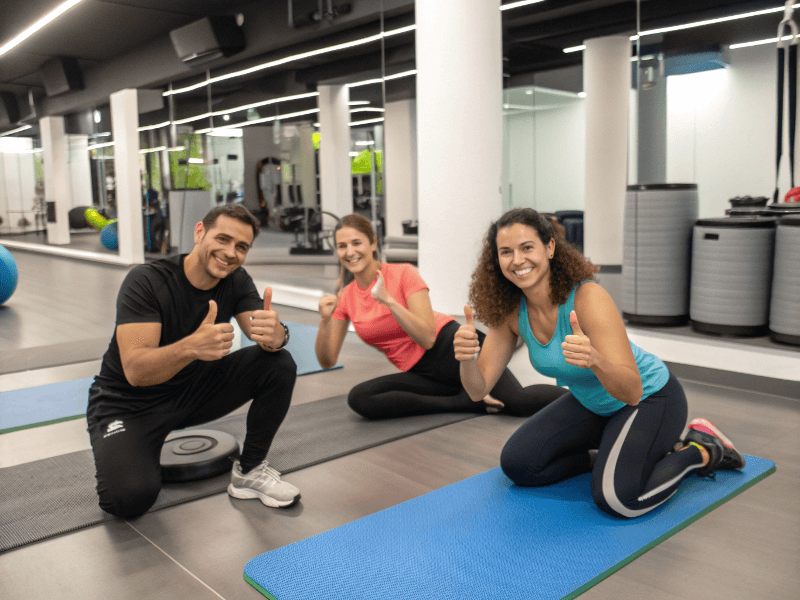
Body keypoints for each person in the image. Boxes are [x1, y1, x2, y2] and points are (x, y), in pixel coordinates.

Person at [454, 207, 746, 518]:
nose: (517, 260)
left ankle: (702, 450)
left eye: (527, 247)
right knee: (519, 464)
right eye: (506, 252)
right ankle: (611, 457)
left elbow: (632, 391)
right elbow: (478, 390)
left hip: (650, 399)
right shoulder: (511, 310)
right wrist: (466, 359)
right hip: (593, 405)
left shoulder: (587, 298)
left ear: (549, 247)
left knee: (619, 499)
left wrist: (595, 360)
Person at [87, 204, 300, 518]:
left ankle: (250, 472)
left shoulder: (237, 280)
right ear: (200, 232)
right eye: (223, 239)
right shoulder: (146, 280)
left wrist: (277, 333)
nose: (230, 253)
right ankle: (134, 447)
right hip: (129, 405)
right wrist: (190, 348)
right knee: (127, 500)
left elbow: (263, 333)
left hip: (191, 392)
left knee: (278, 363)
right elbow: (135, 371)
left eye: (241, 247)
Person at [315, 213, 565, 420]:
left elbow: (427, 337)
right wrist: (325, 321)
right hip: (421, 372)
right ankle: (463, 402)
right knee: (361, 398)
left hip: (453, 349)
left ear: (372, 243)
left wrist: (389, 301)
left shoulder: (403, 274)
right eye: (342, 246)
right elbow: (327, 360)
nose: (350, 251)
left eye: (356, 243)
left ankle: (581, 402)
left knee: (517, 401)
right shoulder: (346, 297)